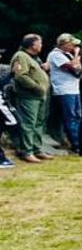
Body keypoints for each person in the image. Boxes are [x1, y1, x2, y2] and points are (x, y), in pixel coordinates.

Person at [9, 34, 53, 163]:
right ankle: (27, 152)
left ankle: (37, 149)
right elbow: (21, 76)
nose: (41, 45)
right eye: (39, 43)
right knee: (28, 124)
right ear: (32, 45)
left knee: (39, 123)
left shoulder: (34, 58)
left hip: (39, 96)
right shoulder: (21, 56)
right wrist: (37, 87)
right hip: (29, 96)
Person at [46, 33, 82, 155]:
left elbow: (80, 69)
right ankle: (75, 143)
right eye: (71, 44)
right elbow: (73, 67)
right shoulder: (56, 55)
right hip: (64, 90)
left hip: (74, 88)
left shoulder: (67, 54)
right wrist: (77, 55)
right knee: (70, 117)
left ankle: (80, 140)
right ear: (64, 44)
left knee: (78, 115)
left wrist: (77, 62)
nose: (74, 47)